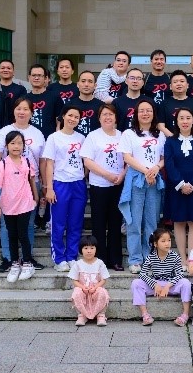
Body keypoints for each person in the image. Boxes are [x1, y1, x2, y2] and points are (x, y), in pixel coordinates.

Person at [0, 98, 46, 273]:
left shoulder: (37, 133)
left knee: (28, 223)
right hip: (7, 184)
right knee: (7, 224)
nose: (22, 112)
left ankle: (27, 257)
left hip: (30, 182)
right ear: (13, 111)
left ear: (31, 112)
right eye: (18, 108)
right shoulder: (4, 131)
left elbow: (42, 160)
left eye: (26, 109)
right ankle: (8, 258)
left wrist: (44, 184)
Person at [118, 99, 166, 274]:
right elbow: (127, 157)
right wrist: (146, 171)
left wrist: (156, 168)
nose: (145, 114)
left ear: (154, 113)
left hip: (154, 179)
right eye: (142, 111)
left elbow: (164, 157)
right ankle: (135, 259)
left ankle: (150, 258)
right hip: (136, 179)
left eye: (149, 110)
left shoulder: (159, 134)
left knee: (151, 222)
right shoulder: (129, 133)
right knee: (134, 222)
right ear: (136, 114)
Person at [163, 107, 193, 269]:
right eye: (181, 118)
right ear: (176, 121)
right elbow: (169, 164)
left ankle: (191, 258)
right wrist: (180, 184)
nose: (185, 121)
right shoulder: (170, 141)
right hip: (176, 187)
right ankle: (182, 259)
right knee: (178, 222)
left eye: (188, 118)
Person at [80, 104, 126, 271]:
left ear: (116, 117)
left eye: (111, 114)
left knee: (115, 223)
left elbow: (129, 159)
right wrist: (107, 175)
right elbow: (87, 161)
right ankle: (100, 260)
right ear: (99, 118)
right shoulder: (93, 136)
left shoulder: (122, 136)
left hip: (118, 185)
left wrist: (122, 175)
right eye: (104, 114)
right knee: (99, 223)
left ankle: (115, 259)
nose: (108, 117)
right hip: (99, 185)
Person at [44, 105, 87, 272]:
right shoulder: (54, 138)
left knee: (75, 222)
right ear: (63, 116)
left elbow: (86, 161)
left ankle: (72, 256)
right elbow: (49, 164)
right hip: (60, 183)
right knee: (59, 223)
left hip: (78, 183)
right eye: (70, 115)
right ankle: (59, 258)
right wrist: (49, 188)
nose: (73, 119)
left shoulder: (81, 138)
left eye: (76, 117)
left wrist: (82, 175)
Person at [0, 130, 39, 283]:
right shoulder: (2, 164)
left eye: (19, 143)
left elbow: (31, 180)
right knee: (12, 235)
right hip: (8, 205)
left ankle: (27, 263)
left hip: (25, 203)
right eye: (13, 143)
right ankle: (14, 263)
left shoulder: (27, 162)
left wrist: (36, 197)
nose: (16, 146)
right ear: (6, 146)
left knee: (23, 234)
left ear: (24, 146)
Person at [130, 228, 192, 326]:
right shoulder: (151, 257)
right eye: (163, 241)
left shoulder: (175, 256)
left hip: (171, 285)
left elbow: (180, 274)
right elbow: (142, 274)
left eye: (169, 240)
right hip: (156, 285)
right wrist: (154, 284)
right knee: (136, 283)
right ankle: (145, 315)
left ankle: (185, 315)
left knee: (186, 283)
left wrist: (168, 286)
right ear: (155, 244)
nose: (167, 243)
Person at [68, 235, 111, 327]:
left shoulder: (100, 263)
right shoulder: (78, 264)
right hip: (83, 290)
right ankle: (82, 315)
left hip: (95, 290)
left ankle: (101, 315)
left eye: (92, 248)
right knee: (77, 292)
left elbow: (104, 279)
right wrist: (82, 287)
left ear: (96, 249)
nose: (89, 251)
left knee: (102, 292)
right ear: (81, 250)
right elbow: (74, 280)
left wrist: (95, 287)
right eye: (86, 248)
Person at [157, 70, 193, 137]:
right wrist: (173, 138)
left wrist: (189, 138)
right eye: (175, 82)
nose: (179, 84)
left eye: (182, 81)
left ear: (187, 85)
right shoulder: (164, 104)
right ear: (170, 86)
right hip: (170, 140)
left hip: (191, 139)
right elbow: (160, 125)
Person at [25, 64, 60, 139]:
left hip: (49, 140)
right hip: (29, 140)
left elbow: (59, 121)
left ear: (45, 78)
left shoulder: (54, 97)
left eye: (39, 75)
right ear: (29, 77)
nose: (36, 78)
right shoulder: (24, 99)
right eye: (33, 75)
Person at [69, 71, 103, 137]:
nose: (86, 84)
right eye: (83, 81)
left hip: (95, 142)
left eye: (90, 81)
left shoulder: (101, 106)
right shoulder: (69, 105)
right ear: (78, 84)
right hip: (73, 142)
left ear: (95, 85)